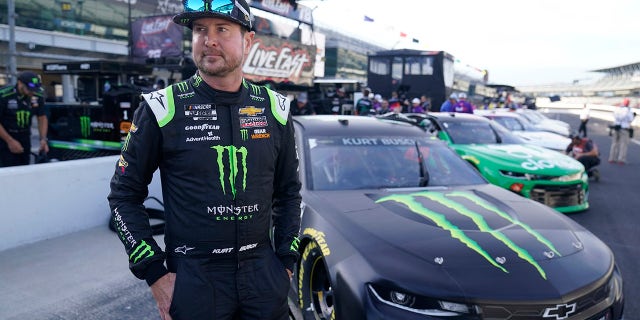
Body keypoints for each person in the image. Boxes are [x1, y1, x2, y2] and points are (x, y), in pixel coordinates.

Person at [107, 1, 302, 319]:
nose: (209, 40)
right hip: (195, 282)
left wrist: (286, 263)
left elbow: (290, 193)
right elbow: (123, 197)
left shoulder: (275, 108)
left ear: (248, 41)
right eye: (200, 30)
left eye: (222, 29)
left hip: (265, 278)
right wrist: (154, 272)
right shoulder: (162, 107)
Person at [0, 71, 49, 167]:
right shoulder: (4, 95)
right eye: (29, 89)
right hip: (5, 137)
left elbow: (42, 117)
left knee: (24, 167)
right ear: (20, 83)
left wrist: (43, 139)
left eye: (35, 89)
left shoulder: (37, 96)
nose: (32, 92)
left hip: (25, 136)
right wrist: (10, 141)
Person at [608, 98, 635, 164]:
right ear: (628, 103)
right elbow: (630, 119)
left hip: (616, 128)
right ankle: (621, 159)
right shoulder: (628, 111)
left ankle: (611, 158)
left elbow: (614, 115)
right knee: (623, 145)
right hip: (624, 129)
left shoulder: (617, 109)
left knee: (614, 144)